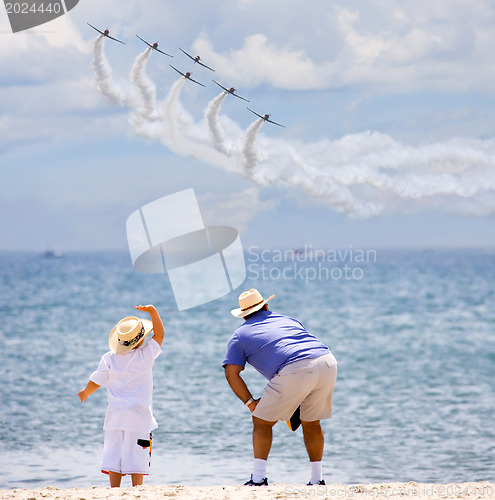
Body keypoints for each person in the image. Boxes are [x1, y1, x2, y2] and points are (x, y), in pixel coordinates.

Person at [223, 289, 337, 486]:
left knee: (261, 420)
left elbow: (231, 372)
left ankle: (258, 479)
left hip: (296, 369)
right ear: (266, 306)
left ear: (243, 315)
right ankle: (317, 480)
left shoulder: (240, 335)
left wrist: (250, 402)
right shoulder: (290, 320)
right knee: (311, 422)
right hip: (327, 362)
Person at [78, 304, 164, 487]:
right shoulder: (145, 355)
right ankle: (136, 489)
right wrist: (153, 312)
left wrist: (85, 392)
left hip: (115, 415)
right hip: (139, 416)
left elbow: (98, 380)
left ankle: (114, 490)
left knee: (114, 453)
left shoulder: (109, 358)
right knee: (137, 455)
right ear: (140, 340)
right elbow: (159, 335)